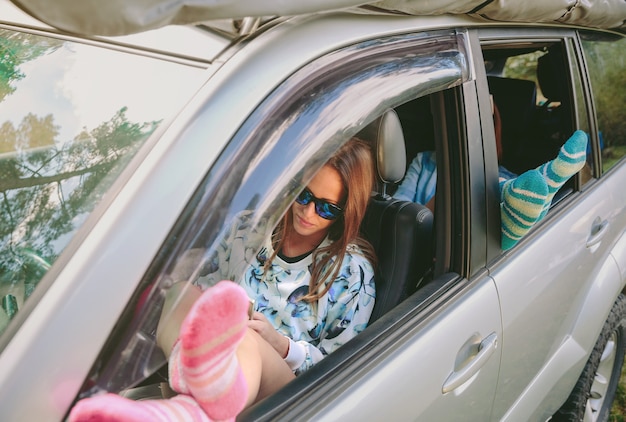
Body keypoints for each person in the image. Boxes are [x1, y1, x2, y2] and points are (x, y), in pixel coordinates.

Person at [68, 137, 378, 422]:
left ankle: (188, 404)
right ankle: (198, 389)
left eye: (326, 208)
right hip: (211, 358)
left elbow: (339, 368)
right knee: (180, 291)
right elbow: (207, 286)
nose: (308, 212)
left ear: (346, 211)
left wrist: (281, 345)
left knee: (244, 339)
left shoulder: (352, 272)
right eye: (304, 195)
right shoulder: (249, 228)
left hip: (285, 390)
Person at [394, 100, 588, 250]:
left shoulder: (503, 176)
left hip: (468, 248)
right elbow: (398, 210)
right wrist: (443, 198)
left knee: (506, 187)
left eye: (479, 124)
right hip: (420, 246)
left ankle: (548, 182)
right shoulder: (425, 161)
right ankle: (550, 179)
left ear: (489, 131)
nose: (468, 132)